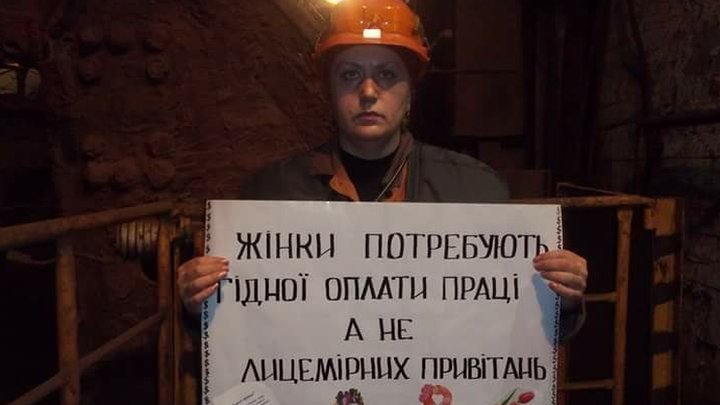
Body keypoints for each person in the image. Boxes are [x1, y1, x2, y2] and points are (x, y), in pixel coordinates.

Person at [177, 0, 587, 338]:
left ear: (411, 90)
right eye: (350, 74)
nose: (369, 91)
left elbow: (511, 324)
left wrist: (560, 298)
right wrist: (200, 303)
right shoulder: (269, 194)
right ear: (329, 88)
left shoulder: (475, 190)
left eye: (387, 75)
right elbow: (241, 332)